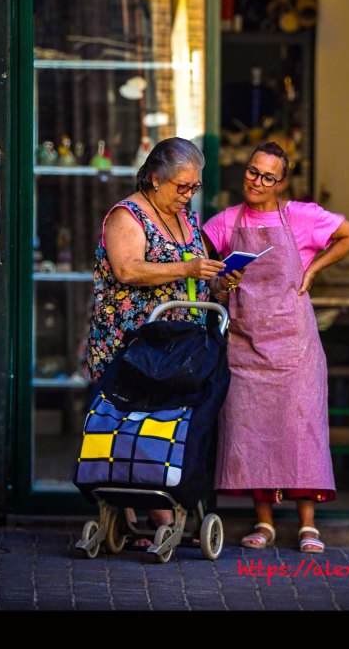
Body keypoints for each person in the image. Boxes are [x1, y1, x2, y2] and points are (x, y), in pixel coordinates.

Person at [202, 141, 349, 554]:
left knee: (301, 429)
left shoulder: (303, 216)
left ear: (283, 182)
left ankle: (308, 524)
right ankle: (264, 521)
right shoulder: (224, 222)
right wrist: (223, 283)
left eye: (268, 177)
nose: (257, 182)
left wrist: (314, 267)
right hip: (245, 344)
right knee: (252, 430)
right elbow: (203, 272)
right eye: (252, 172)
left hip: (294, 347)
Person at [83, 137, 236, 539]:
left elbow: (193, 277)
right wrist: (187, 269)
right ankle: (136, 508)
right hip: (133, 343)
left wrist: (219, 286)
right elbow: (128, 269)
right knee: (130, 422)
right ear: (154, 179)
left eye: (194, 187)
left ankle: (159, 502)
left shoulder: (188, 219)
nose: (188, 195)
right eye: (181, 186)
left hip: (174, 345)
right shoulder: (127, 215)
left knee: (165, 422)